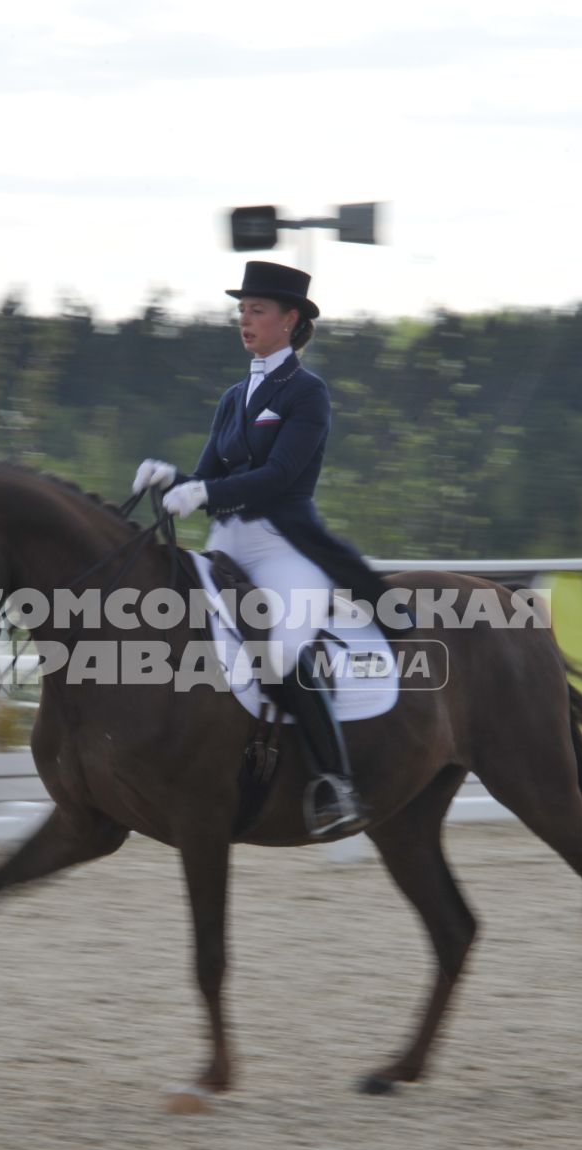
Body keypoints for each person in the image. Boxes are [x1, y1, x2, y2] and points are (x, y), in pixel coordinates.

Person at [132, 260, 398, 838]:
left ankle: (336, 783)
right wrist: (170, 478)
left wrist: (202, 489)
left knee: (278, 650)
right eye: (241, 310)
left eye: (256, 311)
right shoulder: (234, 396)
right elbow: (207, 474)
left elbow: (278, 476)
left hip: (282, 550)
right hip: (226, 547)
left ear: (290, 320)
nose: (243, 320)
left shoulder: (307, 392)